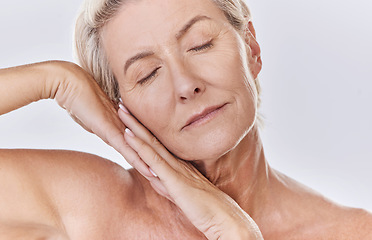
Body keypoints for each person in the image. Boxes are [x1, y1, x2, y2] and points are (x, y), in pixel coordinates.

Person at [0, 0, 371, 239]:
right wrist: (54, 80)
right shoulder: (85, 206)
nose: (186, 84)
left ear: (252, 50)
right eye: (147, 74)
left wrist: (236, 233)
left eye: (201, 45)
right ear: (120, 106)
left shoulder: (353, 232)